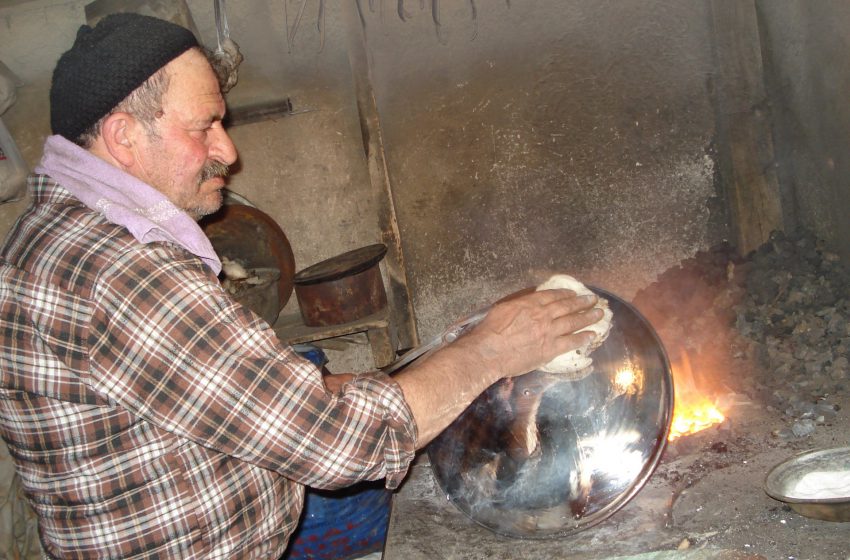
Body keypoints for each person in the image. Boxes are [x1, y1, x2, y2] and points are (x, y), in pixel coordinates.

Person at [0, 13, 602, 559]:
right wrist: (496, 348)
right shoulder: (124, 273)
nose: (228, 151)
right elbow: (341, 447)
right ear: (125, 136)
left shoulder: (54, 234)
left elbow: (195, 400)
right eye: (205, 125)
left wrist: (331, 384)